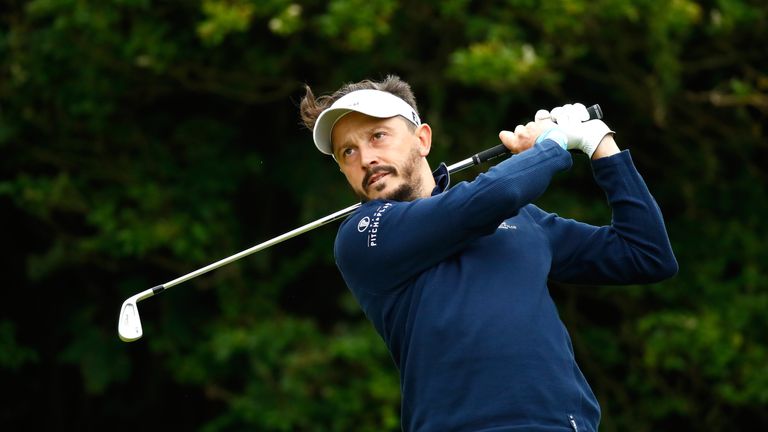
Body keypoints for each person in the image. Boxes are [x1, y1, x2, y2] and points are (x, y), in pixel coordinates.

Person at [299, 75, 677, 432]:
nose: (365, 158)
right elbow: (490, 197)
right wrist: (554, 144)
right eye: (348, 151)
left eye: (378, 136)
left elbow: (645, 254)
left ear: (422, 139)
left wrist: (599, 144)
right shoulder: (362, 236)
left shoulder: (520, 220)